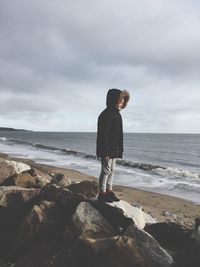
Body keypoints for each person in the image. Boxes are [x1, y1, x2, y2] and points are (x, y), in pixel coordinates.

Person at [96, 88, 130, 202]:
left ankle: (109, 191)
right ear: (113, 100)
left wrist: (120, 149)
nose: (122, 103)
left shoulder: (117, 114)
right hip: (107, 149)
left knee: (112, 171)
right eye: (120, 100)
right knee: (106, 171)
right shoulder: (106, 114)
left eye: (123, 101)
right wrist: (105, 151)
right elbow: (103, 135)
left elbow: (119, 134)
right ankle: (102, 193)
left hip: (114, 149)